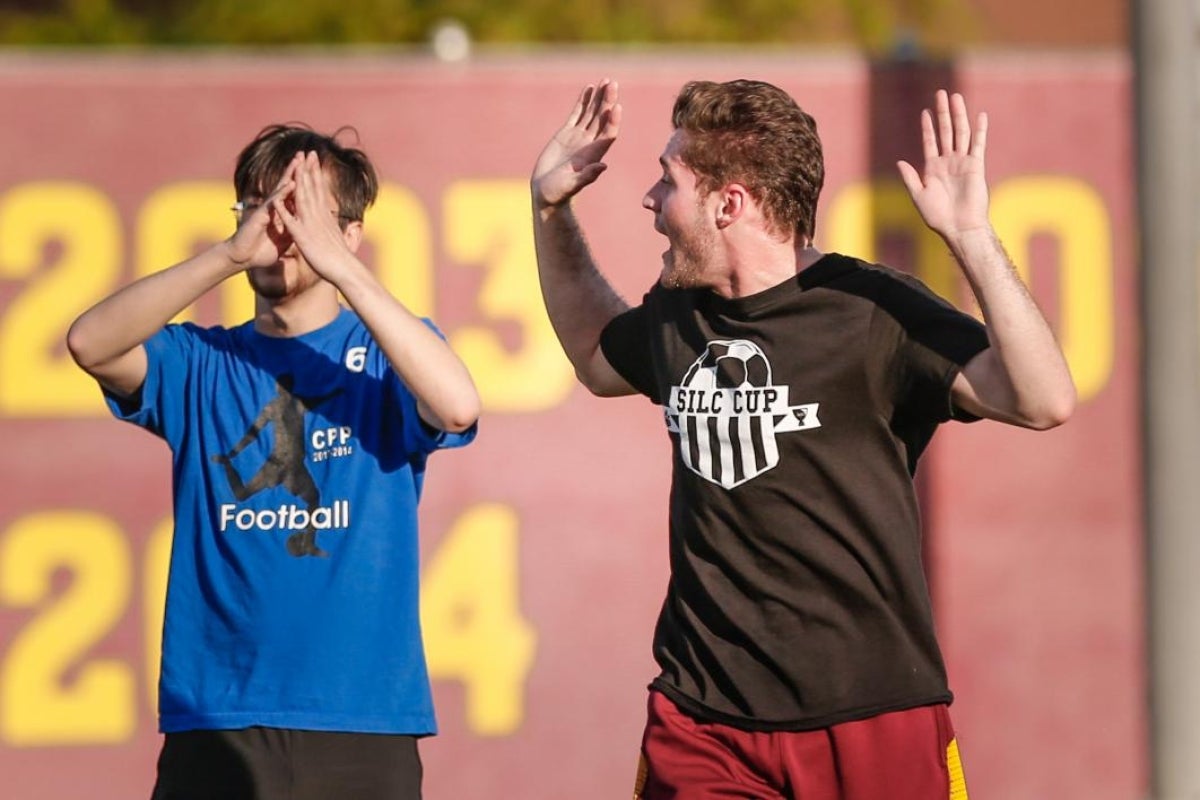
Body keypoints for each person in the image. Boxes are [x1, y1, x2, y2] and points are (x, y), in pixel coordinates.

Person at [530, 79, 1074, 799]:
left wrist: (972, 238)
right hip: (705, 721)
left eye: (669, 181)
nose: (650, 201)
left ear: (730, 203)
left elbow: (1044, 401)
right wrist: (548, 207)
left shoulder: (873, 311)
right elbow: (597, 357)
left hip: (874, 715)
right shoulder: (677, 315)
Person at [67, 124, 480, 799]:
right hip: (217, 719)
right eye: (258, 207)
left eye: (300, 212)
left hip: (361, 725)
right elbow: (90, 342)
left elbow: (457, 405)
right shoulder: (203, 361)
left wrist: (341, 266)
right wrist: (229, 254)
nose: (277, 230)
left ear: (349, 233)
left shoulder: (382, 358)